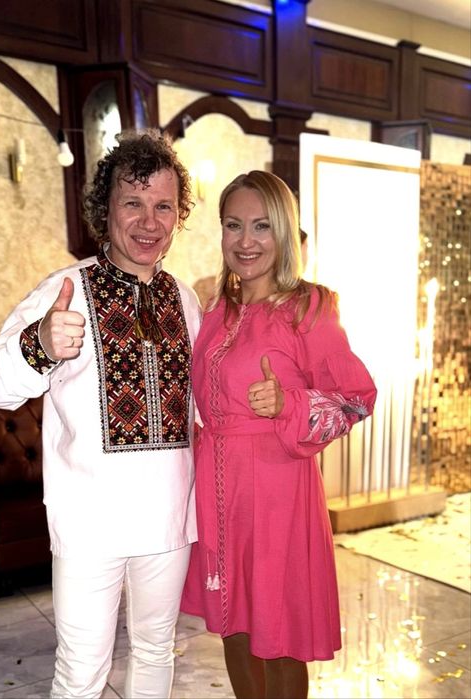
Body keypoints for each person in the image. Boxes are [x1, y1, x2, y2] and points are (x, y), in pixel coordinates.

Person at [0, 129, 201, 699]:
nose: (149, 222)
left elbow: (203, 406)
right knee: (80, 675)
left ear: (179, 215)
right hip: (89, 522)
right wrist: (39, 344)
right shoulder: (65, 289)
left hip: (169, 519)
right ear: (105, 210)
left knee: (156, 649)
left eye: (163, 206)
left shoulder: (185, 299)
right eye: (133, 203)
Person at [180, 170, 377, 699]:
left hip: (278, 493)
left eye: (261, 226)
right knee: (235, 622)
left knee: (280, 628)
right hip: (220, 487)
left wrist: (289, 403)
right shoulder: (216, 308)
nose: (245, 241)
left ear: (284, 231)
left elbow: (357, 399)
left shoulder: (309, 308)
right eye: (233, 225)